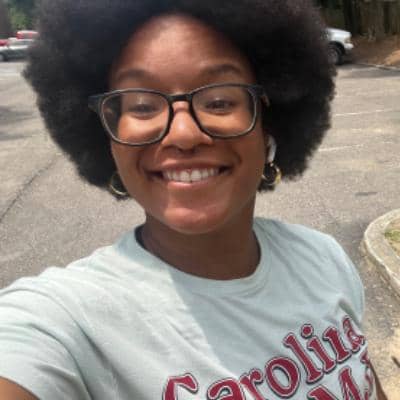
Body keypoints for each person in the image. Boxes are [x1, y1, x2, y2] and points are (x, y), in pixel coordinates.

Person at [0, 0, 387, 399]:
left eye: (219, 101)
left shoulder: (323, 259)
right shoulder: (66, 323)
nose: (184, 134)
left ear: (268, 123)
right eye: (142, 106)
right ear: (107, 137)